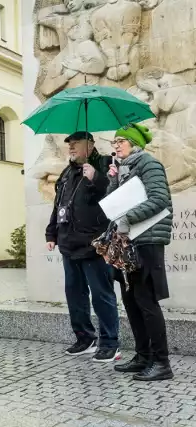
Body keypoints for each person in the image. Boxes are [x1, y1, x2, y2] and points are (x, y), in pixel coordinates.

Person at [45, 131, 121, 362]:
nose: (70, 148)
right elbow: (59, 204)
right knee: (74, 294)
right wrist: (51, 233)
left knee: (101, 295)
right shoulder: (68, 172)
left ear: (90, 145)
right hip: (69, 244)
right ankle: (85, 338)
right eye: (69, 144)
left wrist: (96, 178)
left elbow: (115, 193)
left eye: (76, 144)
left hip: (95, 244)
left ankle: (110, 343)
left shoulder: (106, 163)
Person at [108, 123, 174, 381]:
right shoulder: (123, 170)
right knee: (131, 300)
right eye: (114, 142)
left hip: (147, 241)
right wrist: (113, 178)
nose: (116, 145)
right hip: (128, 244)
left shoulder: (149, 164)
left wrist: (129, 218)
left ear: (134, 143)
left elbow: (159, 199)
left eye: (121, 141)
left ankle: (162, 363)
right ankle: (143, 356)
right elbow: (111, 203)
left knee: (146, 301)